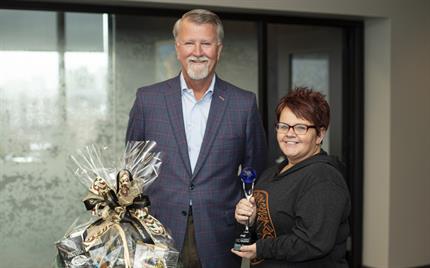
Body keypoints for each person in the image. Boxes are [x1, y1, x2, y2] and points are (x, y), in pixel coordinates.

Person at [126, 9, 267, 268]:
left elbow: (257, 171)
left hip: (220, 234)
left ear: (219, 49)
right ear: (178, 48)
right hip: (157, 232)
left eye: (206, 43)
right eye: (190, 43)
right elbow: (132, 170)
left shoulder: (243, 104)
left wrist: (249, 215)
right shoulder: (148, 100)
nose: (198, 51)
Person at [232, 88, 351, 267]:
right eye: (283, 126)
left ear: (320, 134)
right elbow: (269, 227)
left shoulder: (323, 178)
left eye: (301, 127)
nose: (289, 133)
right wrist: (250, 219)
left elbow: (312, 242)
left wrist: (261, 249)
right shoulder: (271, 173)